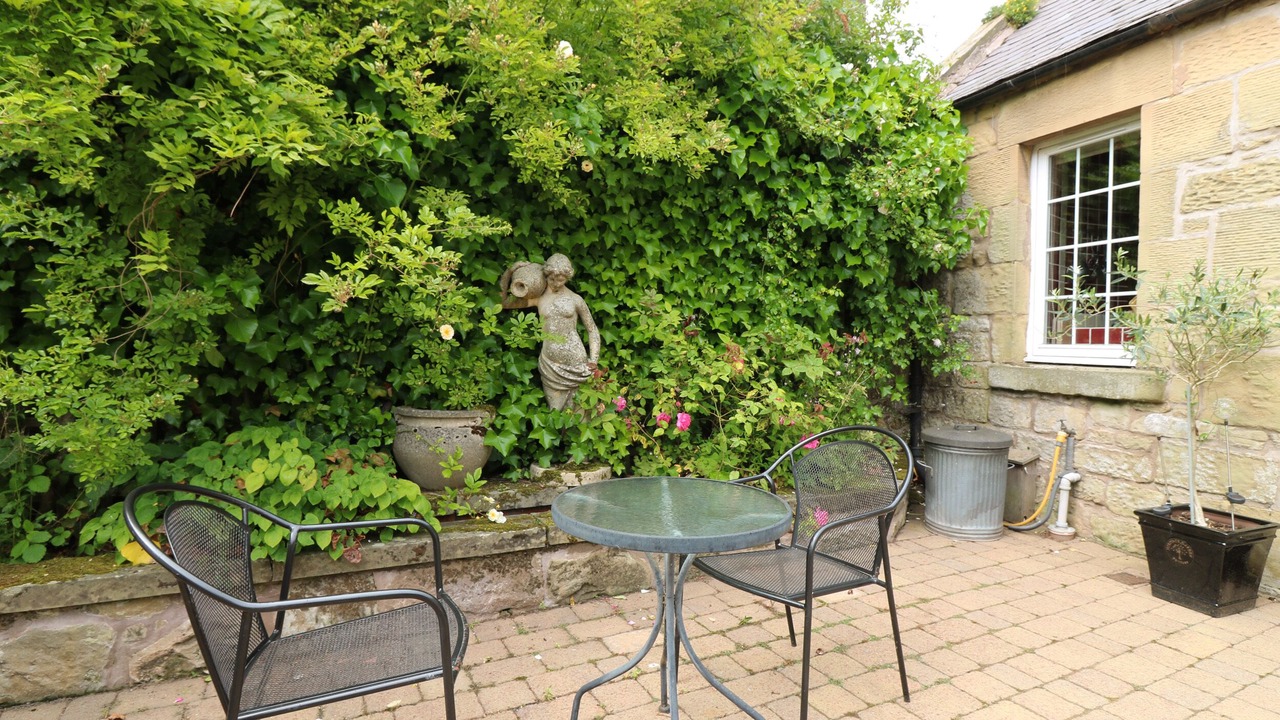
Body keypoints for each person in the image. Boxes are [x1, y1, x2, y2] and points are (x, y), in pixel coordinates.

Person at [500, 254, 600, 410]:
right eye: (552, 279)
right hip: (550, 366)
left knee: (581, 412)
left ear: (567, 278)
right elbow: (504, 303)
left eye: (561, 280)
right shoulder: (538, 298)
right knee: (555, 411)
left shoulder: (575, 299)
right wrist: (510, 272)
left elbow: (592, 329)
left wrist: (594, 359)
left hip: (576, 362)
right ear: (546, 275)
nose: (556, 283)